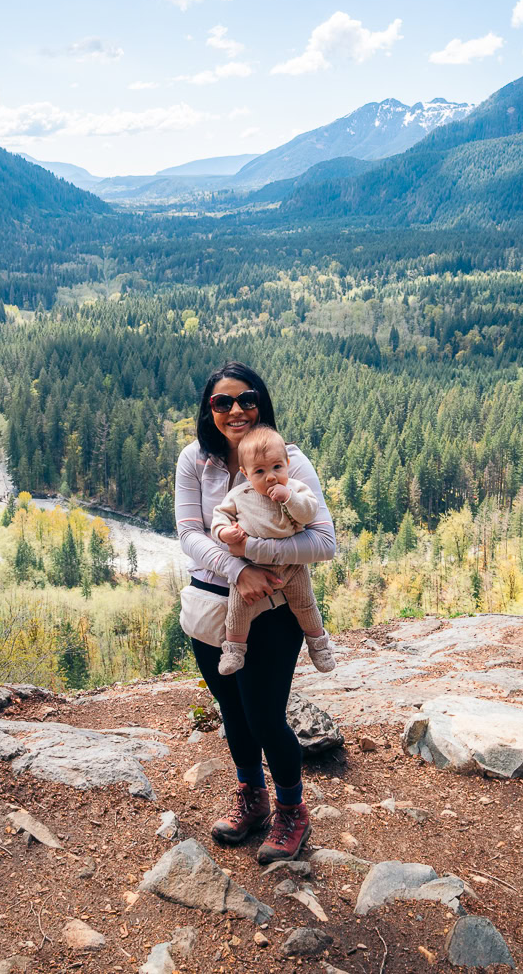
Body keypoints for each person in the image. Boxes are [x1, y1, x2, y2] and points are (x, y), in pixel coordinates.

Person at [174, 362, 336, 864]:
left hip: (274, 609)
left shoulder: (288, 460)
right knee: (235, 715)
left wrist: (257, 558)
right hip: (211, 606)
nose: (236, 410)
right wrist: (235, 568)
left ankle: (292, 809)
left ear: (261, 402)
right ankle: (252, 797)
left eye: (246, 399)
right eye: (223, 402)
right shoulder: (194, 461)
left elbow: (323, 542)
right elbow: (189, 533)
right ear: (210, 410)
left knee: (265, 717)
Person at [211, 424, 335, 676]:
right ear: (246, 474)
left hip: (292, 566)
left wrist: (288, 497)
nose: (270, 476)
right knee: (238, 609)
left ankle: (319, 644)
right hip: (251, 567)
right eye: (260, 471)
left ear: (287, 463)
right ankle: (233, 649)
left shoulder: (297, 489)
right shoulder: (239, 494)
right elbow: (219, 517)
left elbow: (309, 512)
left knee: (305, 604)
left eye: (277, 467)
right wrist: (225, 533)